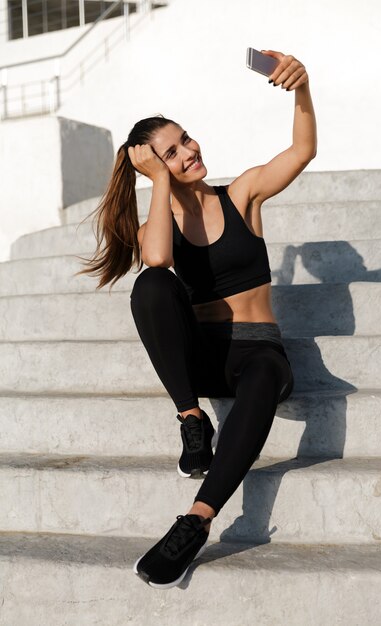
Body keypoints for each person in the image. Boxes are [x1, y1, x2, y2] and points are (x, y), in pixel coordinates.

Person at [76, 49, 317, 589]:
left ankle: (196, 520)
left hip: (258, 351)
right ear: (154, 166)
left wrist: (302, 86)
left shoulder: (242, 194)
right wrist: (160, 185)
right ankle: (191, 419)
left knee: (264, 377)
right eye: (172, 151)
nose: (189, 150)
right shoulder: (160, 219)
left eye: (187, 139)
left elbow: (302, 150)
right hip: (203, 358)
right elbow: (158, 260)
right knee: (152, 285)